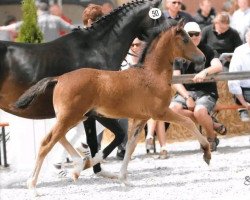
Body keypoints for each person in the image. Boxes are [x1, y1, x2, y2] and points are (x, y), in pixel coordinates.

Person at [168, 22, 223, 152]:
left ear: (200, 34)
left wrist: (204, 72)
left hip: (206, 92)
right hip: (186, 92)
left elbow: (218, 66)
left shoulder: (208, 49)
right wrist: (187, 97)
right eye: (190, 34)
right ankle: (212, 123)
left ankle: (211, 137)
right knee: (172, 109)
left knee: (199, 111)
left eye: (196, 34)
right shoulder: (178, 53)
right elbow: (175, 80)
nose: (193, 37)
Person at [0, 1, 75, 42]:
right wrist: (85, 28)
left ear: (39, 10)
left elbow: (17, 25)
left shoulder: (35, 21)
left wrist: (3, 28)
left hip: (40, 52)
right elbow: (71, 28)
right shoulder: (57, 19)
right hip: (55, 50)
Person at [228, 29, 250, 122]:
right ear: (246, 38)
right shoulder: (240, 51)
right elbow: (233, 80)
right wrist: (243, 103)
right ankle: (242, 109)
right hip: (246, 92)